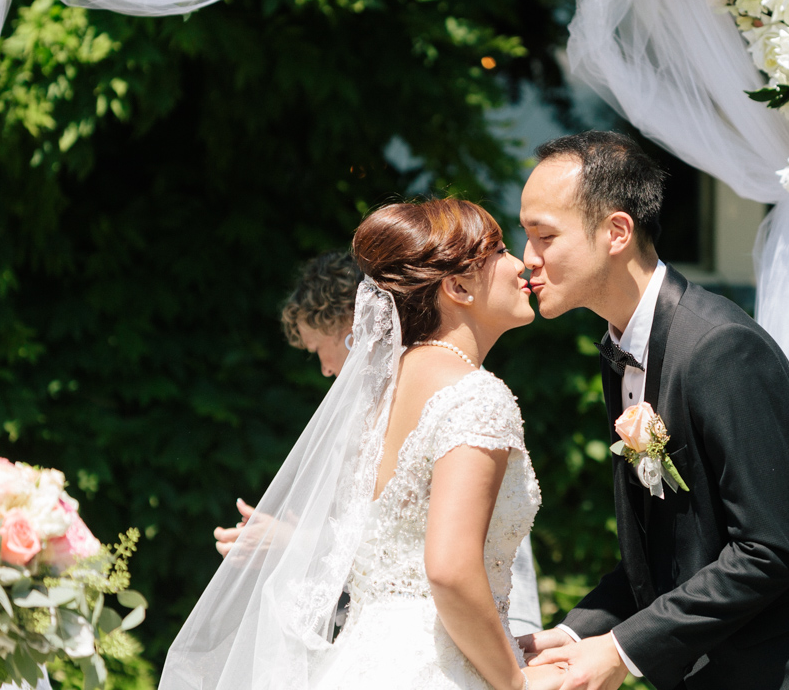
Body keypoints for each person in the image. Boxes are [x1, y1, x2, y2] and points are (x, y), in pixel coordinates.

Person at [515, 132, 789, 690]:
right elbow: (666, 552)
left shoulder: (721, 348)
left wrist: (620, 652)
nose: (527, 260)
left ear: (616, 232)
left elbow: (770, 550)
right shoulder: (623, 351)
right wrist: (578, 633)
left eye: (544, 236)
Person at [162, 199, 565, 690]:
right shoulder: (475, 394)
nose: (520, 262)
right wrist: (515, 682)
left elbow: (386, 549)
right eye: (500, 250)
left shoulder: (382, 397)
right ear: (457, 286)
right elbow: (451, 570)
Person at [214, 248, 544, 636]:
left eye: (320, 349)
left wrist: (294, 541)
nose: (324, 369)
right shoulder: (386, 405)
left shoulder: (458, 398)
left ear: (352, 330)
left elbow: (472, 543)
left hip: (460, 625)